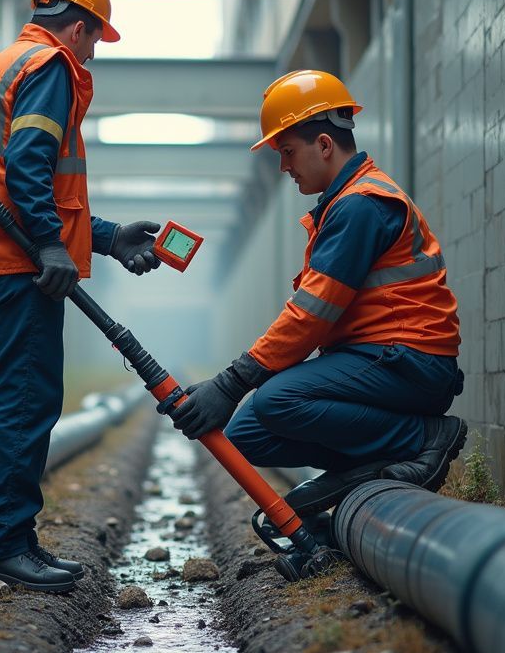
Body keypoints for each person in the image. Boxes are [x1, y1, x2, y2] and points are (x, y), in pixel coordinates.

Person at [0, 0, 161, 593]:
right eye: (94, 41)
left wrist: (108, 238)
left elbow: (6, 175)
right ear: (79, 26)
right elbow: (29, 165)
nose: (92, 54)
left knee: (15, 396)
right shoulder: (52, 66)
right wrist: (48, 244)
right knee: (25, 401)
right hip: (11, 259)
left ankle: (9, 538)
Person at [171, 69, 466, 522]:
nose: (284, 166)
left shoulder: (360, 205)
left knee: (276, 401)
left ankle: (423, 437)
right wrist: (230, 392)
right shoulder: (345, 202)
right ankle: (368, 472)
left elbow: (311, 314)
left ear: (324, 145)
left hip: (410, 361)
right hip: (380, 360)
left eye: (288, 152)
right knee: (246, 432)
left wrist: (230, 383)